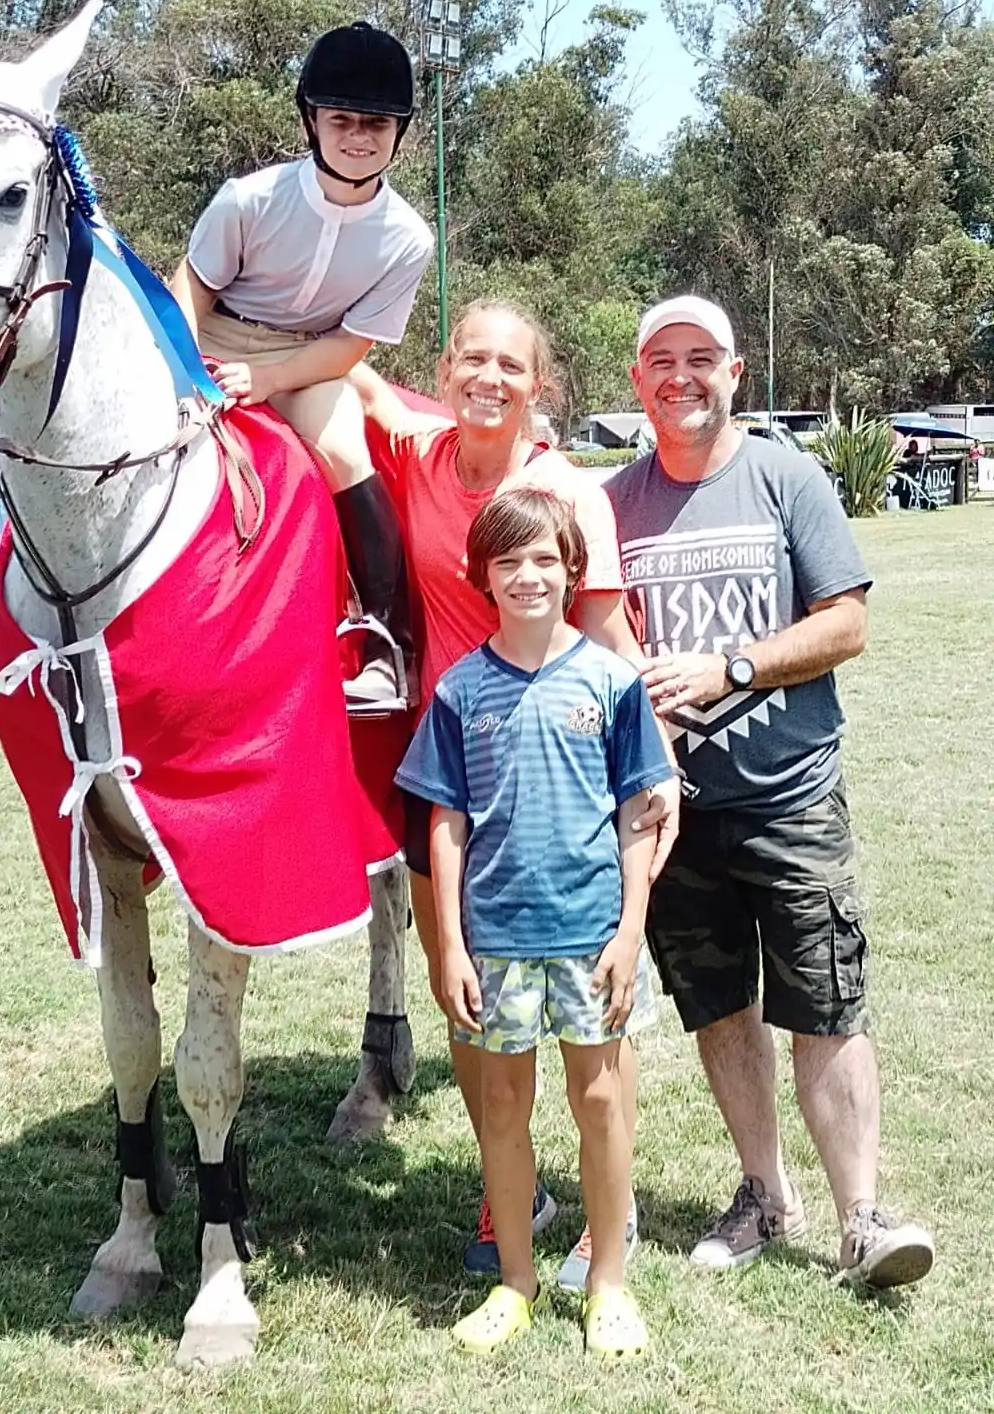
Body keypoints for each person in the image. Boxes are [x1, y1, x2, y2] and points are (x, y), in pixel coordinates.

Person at [604, 293, 936, 1289]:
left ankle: (862, 1217)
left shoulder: (786, 475)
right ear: (637, 381)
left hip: (790, 799)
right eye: (662, 359)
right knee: (718, 1009)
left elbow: (846, 624)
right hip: (676, 813)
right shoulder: (614, 501)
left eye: (703, 357)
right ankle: (764, 1191)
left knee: (824, 1006)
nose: (682, 376)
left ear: (735, 373)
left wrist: (733, 668)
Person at [351, 298, 680, 1281]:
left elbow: (614, 642)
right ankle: (516, 1196)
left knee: (592, 1020)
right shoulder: (417, 452)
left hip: (563, 782)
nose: (488, 378)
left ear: (541, 385)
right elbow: (340, 372)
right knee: (467, 999)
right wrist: (223, 340)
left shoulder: (566, 494)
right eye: (471, 359)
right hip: (449, 769)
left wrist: (656, 766)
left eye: (510, 365)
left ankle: (599, 1222)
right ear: (445, 368)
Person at [396, 489, 675, 1355]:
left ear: (573, 570)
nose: (528, 576)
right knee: (505, 1104)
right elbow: (445, 825)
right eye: (509, 561)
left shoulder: (612, 683)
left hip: (592, 940)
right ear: (481, 575)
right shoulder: (459, 692)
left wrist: (630, 932)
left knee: (599, 1100)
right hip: (498, 941)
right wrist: (449, 944)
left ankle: (608, 1283)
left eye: (546, 560)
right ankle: (515, 1282)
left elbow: (639, 815)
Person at [169, 21, 433, 711]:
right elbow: (192, 291)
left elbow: (349, 348)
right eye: (341, 118)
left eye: (376, 123)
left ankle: (385, 645)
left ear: (398, 132)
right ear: (312, 119)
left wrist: (269, 381)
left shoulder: (408, 239)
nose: (357, 136)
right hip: (216, 337)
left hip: (310, 357)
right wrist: (188, 376)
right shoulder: (247, 199)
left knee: (347, 452)